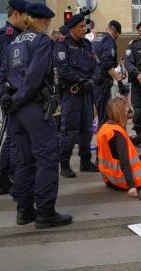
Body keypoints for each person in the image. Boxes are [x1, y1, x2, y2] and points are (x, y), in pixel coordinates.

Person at [3, 3, 73, 228]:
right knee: (47, 158)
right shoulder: (42, 41)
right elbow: (33, 79)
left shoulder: (13, 43)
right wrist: (19, 98)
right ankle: (45, 212)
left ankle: (24, 210)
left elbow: (4, 75)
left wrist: (10, 99)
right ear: (42, 20)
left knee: (24, 160)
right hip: (34, 106)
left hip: (16, 111)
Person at [54, 14, 101, 178]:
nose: (84, 29)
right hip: (71, 94)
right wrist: (82, 81)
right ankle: (65, 164)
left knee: (87, 129)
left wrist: (92, 81)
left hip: (87, 93)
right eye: (81, 26)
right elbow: (62, 69)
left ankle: (85, 161)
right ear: (72, 28)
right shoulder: (62, 45)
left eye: (84, 26)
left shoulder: (87, 45)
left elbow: (97, 66)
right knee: (70, 130)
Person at [0, 0, 29, 196]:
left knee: (14, 137)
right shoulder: (5, 36)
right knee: (14, 138)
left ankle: (5, 178)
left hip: (18, 91)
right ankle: (7, 177)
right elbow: (7, 66)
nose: (28, 20)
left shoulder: (20, 35)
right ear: (15, 13)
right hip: (11, 91)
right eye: (25, 15)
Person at [92, 20, 128, 126]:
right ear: (115, 31)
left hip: (89, 82)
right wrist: (120, 81)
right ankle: (103, 141)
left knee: (90, 114)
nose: (116, 38)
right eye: (117, 35)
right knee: (104, 117)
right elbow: (107, 63)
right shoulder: (109, 40)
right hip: (101, 83)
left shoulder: (94, 38)